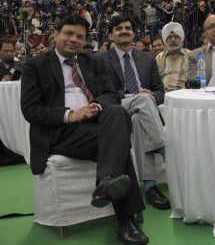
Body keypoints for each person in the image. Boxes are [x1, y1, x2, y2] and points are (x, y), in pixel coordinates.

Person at [20, 15, 148, 245]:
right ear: (56, 34)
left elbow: (111, 95)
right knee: (117, 142)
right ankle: (127, 220)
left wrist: (96, 107)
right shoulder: (35, 66)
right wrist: (72, 114)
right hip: (60, 130)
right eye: (68, 33)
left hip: (97, 122)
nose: (74, 39)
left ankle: (105, 182)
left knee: (117, 113)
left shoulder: (94, 62)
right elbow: (31, 109)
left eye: (80, 36)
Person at [98, 16, 170, 210]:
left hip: (142, 110)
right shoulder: (101, 59)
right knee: (142, 99)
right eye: (119, 28)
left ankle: (149, 187)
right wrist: (138, 95)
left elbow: (160, 91)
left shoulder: (147, 58)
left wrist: (151, 95)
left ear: (134, 33)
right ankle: (166, 151)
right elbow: (102, 93)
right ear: (111, 34)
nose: (124, 31)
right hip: (117, 107)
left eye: (128, 28)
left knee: (139, 119)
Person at [155, 22, 190, 91]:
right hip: (165, 96)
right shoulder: (159, 58)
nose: (173, 40)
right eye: (169, 37)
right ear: (165, 41)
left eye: (176, 37)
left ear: (181, 39)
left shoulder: (191, 56)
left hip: (185, 95)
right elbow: (156, 81)